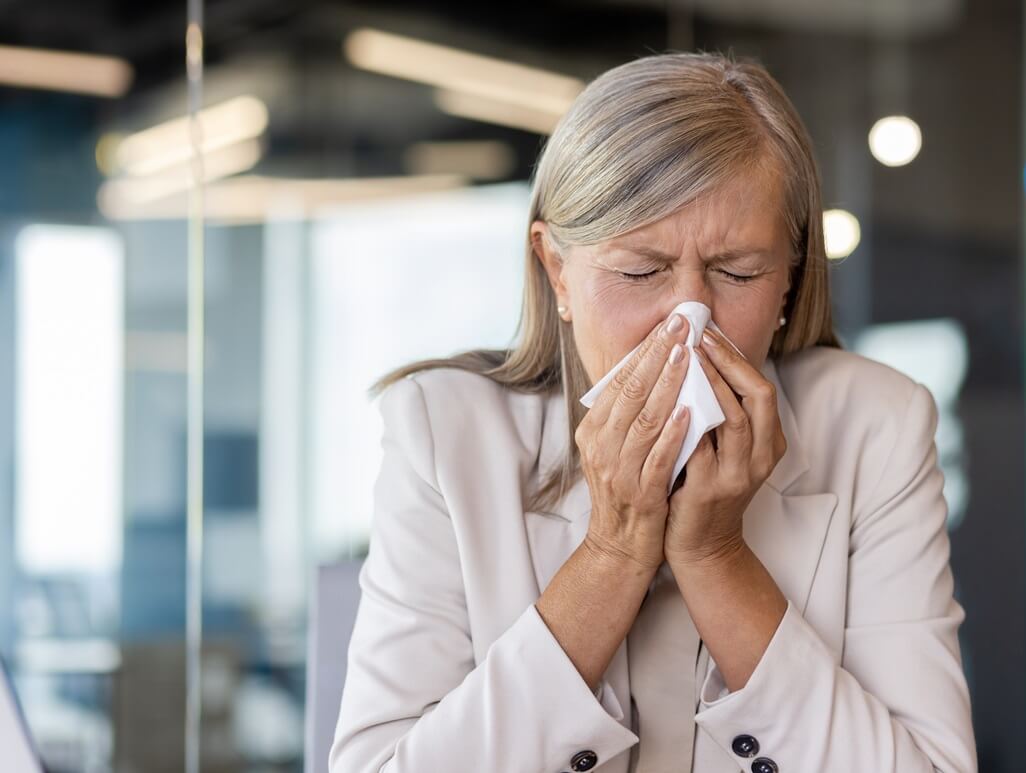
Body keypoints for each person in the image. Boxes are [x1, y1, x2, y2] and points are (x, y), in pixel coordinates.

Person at [329, 51, 977, 773]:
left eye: (738, 272)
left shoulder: (874, 428)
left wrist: (717, 557)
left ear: (790, 280)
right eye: (640, 272)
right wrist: (612, 553)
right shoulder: (443, 433)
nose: (689, 320)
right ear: (557, 272)